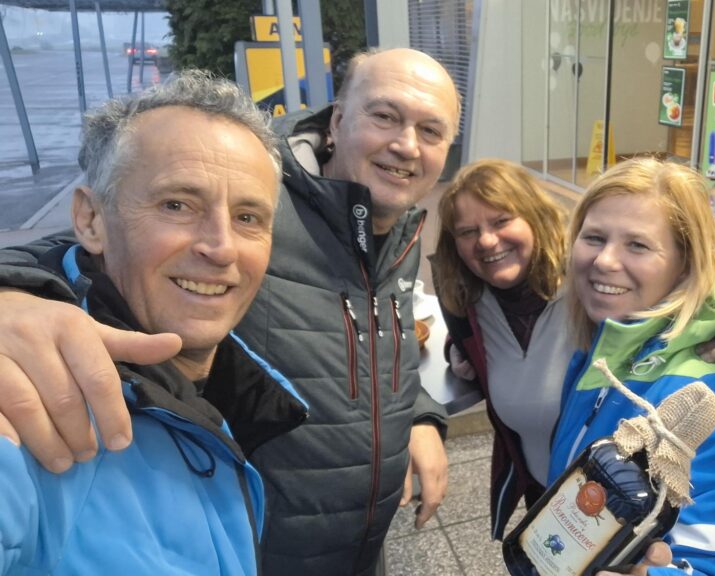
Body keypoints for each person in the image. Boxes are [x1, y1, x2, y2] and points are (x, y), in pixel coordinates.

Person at [0, 48, 460, 575]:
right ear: (337, 121)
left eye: (430, 130)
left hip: (355, 550)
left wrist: (419, 413)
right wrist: (11, 296)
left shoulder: (397, 234)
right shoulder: (259, 190)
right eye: (384, 115)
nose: (406, 144)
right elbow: (76, 248)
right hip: (267, 550)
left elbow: (372, 340)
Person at [0, 70, 310, 573]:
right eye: (177, 205)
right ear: (91, 220)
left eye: (248, 217)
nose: (221, 247)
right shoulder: (27, 396)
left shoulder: (238, 380)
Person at [551, 158, 715, 575]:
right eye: (594, 237)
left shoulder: (708, 398)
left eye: (637, 245)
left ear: (686, 264)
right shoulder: (598, 352)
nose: (605, 261)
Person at [433, 158, 574, 539]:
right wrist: (456, 349)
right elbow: (472, 341)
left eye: (501, 221)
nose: (486, 241)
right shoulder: (470, 305)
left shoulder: (589, 289)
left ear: (536, 217)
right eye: (468, 231)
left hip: (612, 502)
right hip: (541, 493)